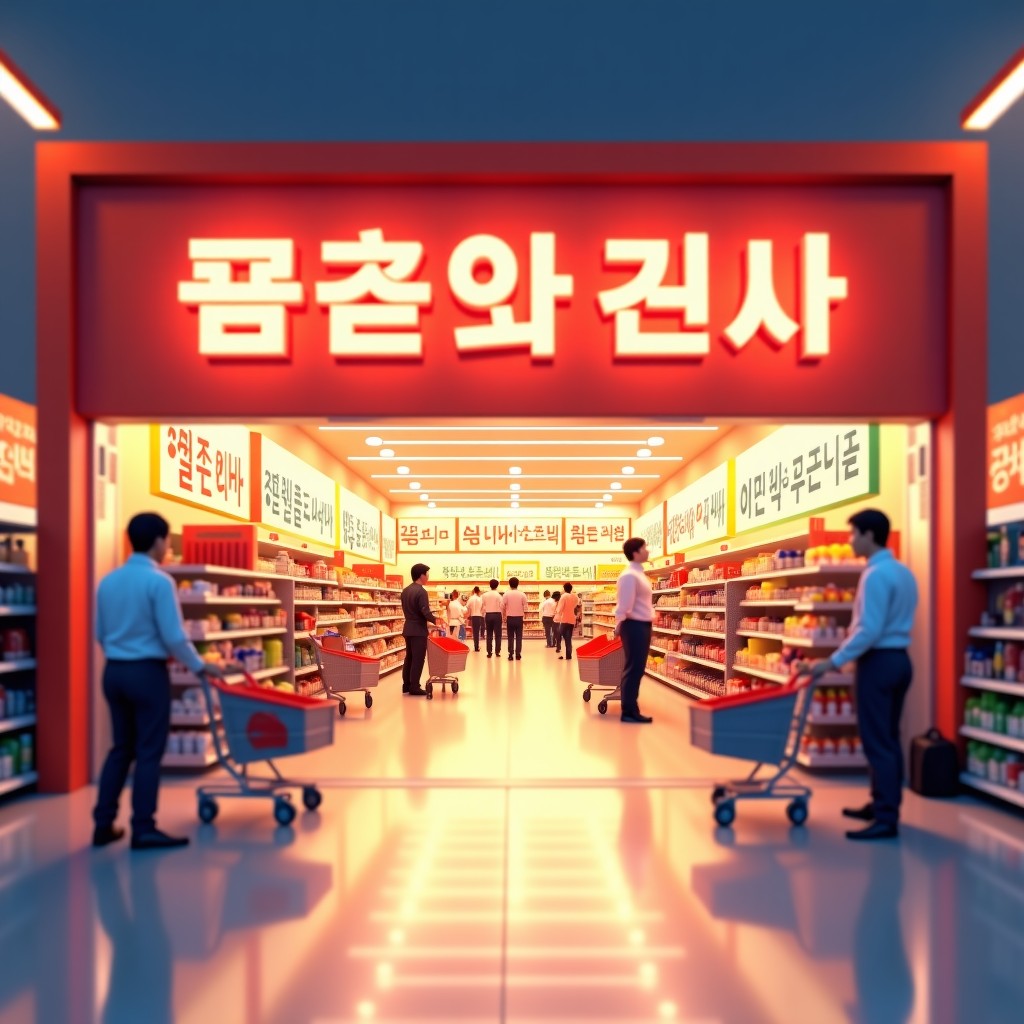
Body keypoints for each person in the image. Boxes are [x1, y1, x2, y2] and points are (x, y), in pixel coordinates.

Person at [93, 512, 226, 851]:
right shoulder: (159, 582)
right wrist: (199, 666)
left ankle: (103, 824)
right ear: (157, 541)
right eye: (167, 540)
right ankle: (143, 828)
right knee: (149, 751)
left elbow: (100, 632)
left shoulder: (108, 581)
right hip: (147, 673)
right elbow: (174, 637)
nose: (167, 547)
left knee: (121, 748)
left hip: (114, 672)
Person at [807, 509, 918, 841]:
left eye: (854, 534)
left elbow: (868, 630)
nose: (850, 540)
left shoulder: (874, 576)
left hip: (877, 663)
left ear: (870, 535)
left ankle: (885, 817)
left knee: (876, 741)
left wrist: (832, 661)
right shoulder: (903, 572)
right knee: (889, 737)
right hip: (899, 660)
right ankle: (882, 803)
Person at [614, 537, 654, 724]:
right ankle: (628, 711)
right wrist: (619, 626)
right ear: (636, 552)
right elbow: (624, 606)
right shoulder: (629, 576)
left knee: (637, 669)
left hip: (641, 624)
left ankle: (631, 709)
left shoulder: (639, 574)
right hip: (634, 626)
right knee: (633, 669)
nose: (648, 551)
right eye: (645, 548)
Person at [401, 563, 439, 696]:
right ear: (421, 575)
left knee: (409, 657)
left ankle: (406, 685)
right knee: (418, 658)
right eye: (427, 573)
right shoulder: (421, 591)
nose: (428, 576)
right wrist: (437, 621)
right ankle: (415, 687)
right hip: (418, 630)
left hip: (408, 628)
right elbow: (425, 612)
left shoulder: (405, 591)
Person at [502, 577, 529, 661]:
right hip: (519, 618)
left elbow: (502, 606)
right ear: (518, 584)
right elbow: (526, 607)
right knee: (519, 637)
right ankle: (518, 654)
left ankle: (510, 654)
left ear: (509, 584)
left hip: (510, 618)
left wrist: (504, 616)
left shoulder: (506, 594)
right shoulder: (522, 594)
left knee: (510, 637)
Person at [555, 582, 581, 661]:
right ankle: (568, 655)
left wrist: (557, 613)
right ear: (571, 588)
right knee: (568, 637)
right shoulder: (575, 596)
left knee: (559, 633)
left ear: (564, 588)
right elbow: (576, 605)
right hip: (572, 619)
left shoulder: (563, 596)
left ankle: (561, 648)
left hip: (564, 619)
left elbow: (560, 609)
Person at [481, 578, 504, 658]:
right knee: (498, 634)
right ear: (497, 586)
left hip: (488, 615)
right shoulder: (499, 596)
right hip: (497, 615)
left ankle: (489, 652)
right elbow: (502, 606)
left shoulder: (484, 595)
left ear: (489, 585)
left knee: (489, 634)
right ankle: (497, 652)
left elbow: (483, 606)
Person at [466, 586, 484, 651]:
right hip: (479, 616)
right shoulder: (480, 599)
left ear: (473, 591)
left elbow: (467, 607)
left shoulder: (471, 598)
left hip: (473, 616)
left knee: (474, 632)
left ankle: (476, 646)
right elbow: (483, 608)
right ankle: (477, 646)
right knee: (478, 632)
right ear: (478, 591)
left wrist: (467, 615)